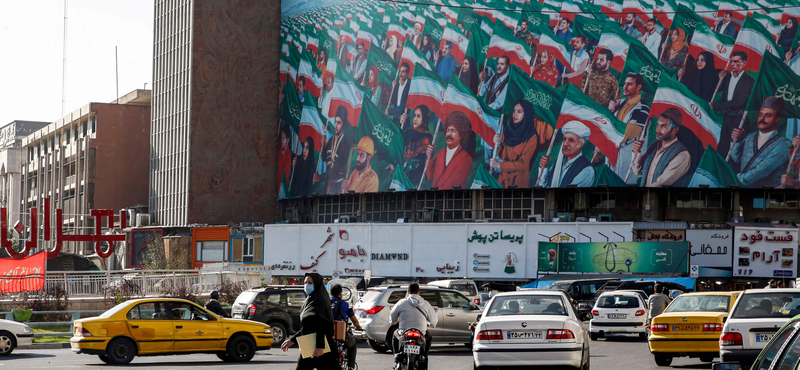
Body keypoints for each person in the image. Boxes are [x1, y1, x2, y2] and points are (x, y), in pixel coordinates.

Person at [730, 97, 793, 187]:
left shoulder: (784, 144)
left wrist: (738, 180)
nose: (762, 118)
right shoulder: (750, 137)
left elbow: (764, 169)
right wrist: (735, 140)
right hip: (744, 190)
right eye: (760, 115)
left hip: (766, 193)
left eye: (768, 115)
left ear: (777, 119)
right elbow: (736, 158)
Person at [491, 99, 553, 188]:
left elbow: (523, 164)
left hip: (518, 180)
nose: (515, 114)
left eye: (519, 111)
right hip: (503, 177)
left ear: (527, 114)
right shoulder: (507, 130)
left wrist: (499, 165)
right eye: (514, 111)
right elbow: (501, 155)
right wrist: (498, 143)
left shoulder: (532, 137)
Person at [281, 273, 338, 369]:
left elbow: (321, 325)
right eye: (305, 282)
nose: (307, 285)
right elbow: (307, 327)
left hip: (323, 348)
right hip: (309, 345)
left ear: (317, 284)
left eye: (310, 282)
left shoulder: (320, 300)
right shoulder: (310, 300)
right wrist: (292, 340)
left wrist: (320, 347)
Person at [604, 73, 651, 182]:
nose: (624, 87)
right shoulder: (618, 103)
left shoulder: (642, 109)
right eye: (625, 83)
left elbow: (627, 136)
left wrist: (606, 137)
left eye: (629, 84)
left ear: (638, 87)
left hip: (627, 163)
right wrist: (610, 112)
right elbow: (605, 124)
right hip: (612, 159)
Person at [632, 108, 691, 187]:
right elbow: (638, 171)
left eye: (663, 126)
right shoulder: (654, 145)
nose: (658, 129)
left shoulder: (682, 155)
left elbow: (660, 184)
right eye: (658, 124)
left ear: (675, 130)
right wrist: (636, 152)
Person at [712, 51, 755, 159]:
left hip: (739, 121)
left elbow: (738, 102)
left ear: (743, 63)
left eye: (736, 61)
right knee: (722, 147)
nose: (732, 64)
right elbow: (714, 91)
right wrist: (719, 79)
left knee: (735, 153)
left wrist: (716, 106)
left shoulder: (749, 81)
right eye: (731, 61)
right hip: (726, 118)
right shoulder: (726, 78)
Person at [389, 283, 438, 368]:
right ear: (419, 292)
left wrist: (394, 321)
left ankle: (396, 358)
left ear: (408, 292)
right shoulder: (425, 304)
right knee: (429, 337)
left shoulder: (401, 302)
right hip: (421, 333)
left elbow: (392, 320)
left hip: (404, 332)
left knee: (394, 334)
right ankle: (425, 357)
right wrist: (429, 324)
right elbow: (434, 321)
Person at [424, 111, 474, 189]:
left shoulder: (466, 158)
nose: (449, 134)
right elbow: (430, 176)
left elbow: (450, 184)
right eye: (448, 130)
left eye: (453, 131)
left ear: (461, 135)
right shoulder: (441, 152)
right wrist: (429, 156)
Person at [539, 121, 595, 187]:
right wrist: (543, 167)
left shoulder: (587, 170)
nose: (565, 144)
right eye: (564, 139)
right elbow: (544, 185)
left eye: (571, 140)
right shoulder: (559, 162)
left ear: (580, 144)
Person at [321, 107, 353, 194]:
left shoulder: (346, 143)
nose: (336, 126)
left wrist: (320, 178)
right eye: (336, 122)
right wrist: (323, 145)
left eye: (339, 123)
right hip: (327, 183)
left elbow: (338, 166)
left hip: (337, 185)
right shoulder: (331, 139)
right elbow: (324, 157)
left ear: (343, 124)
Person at [400, 106, 434, 185]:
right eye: (414, 115)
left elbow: (417, 160)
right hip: (404, 174)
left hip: (415, 179)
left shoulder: (426, 137)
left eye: (419, 116)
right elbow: (401, 142)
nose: (415, 119)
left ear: (425, 118)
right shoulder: (410, 130)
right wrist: (402, 124)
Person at [330, 284, 362, 370]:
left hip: (327, 334)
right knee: (353, 345)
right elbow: (354, 319)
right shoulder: (345, 304)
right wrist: (358, 327)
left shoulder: (325, 303)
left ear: (330, 293)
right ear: (340, 293)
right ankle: (351, 366)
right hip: (340, 334)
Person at [555, 18, 573, 85]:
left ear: (568, 25)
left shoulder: (569, 34)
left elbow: (566, 43)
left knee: (565, 70)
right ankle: (558, 83)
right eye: (562, 23)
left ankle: (564, 83)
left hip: (564, 55)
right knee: (557, 69)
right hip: (557, 54)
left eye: (564, 23)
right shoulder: (558, 32)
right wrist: (555, 31)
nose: (562, 24)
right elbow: (554, 39)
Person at [277, 126, 293, 193]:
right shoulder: (279, 151)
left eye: (283, 138)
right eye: (281, 138)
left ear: (287, 140)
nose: (281, 141)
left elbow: (286, 175)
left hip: (282, 188)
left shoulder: (288, 155)